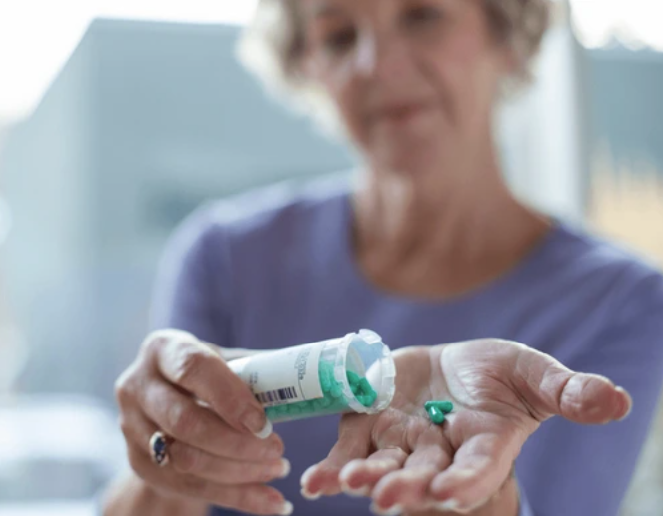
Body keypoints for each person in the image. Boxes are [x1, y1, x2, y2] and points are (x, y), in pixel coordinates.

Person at [103, 0, 663, 515]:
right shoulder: (223, 257)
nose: (378, 65)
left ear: (509, 31)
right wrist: (164, 458)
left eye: (422, 15)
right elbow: (156, 485)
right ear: (307, 68)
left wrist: (483, 498)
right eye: (340, 36)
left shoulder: (620, 301)